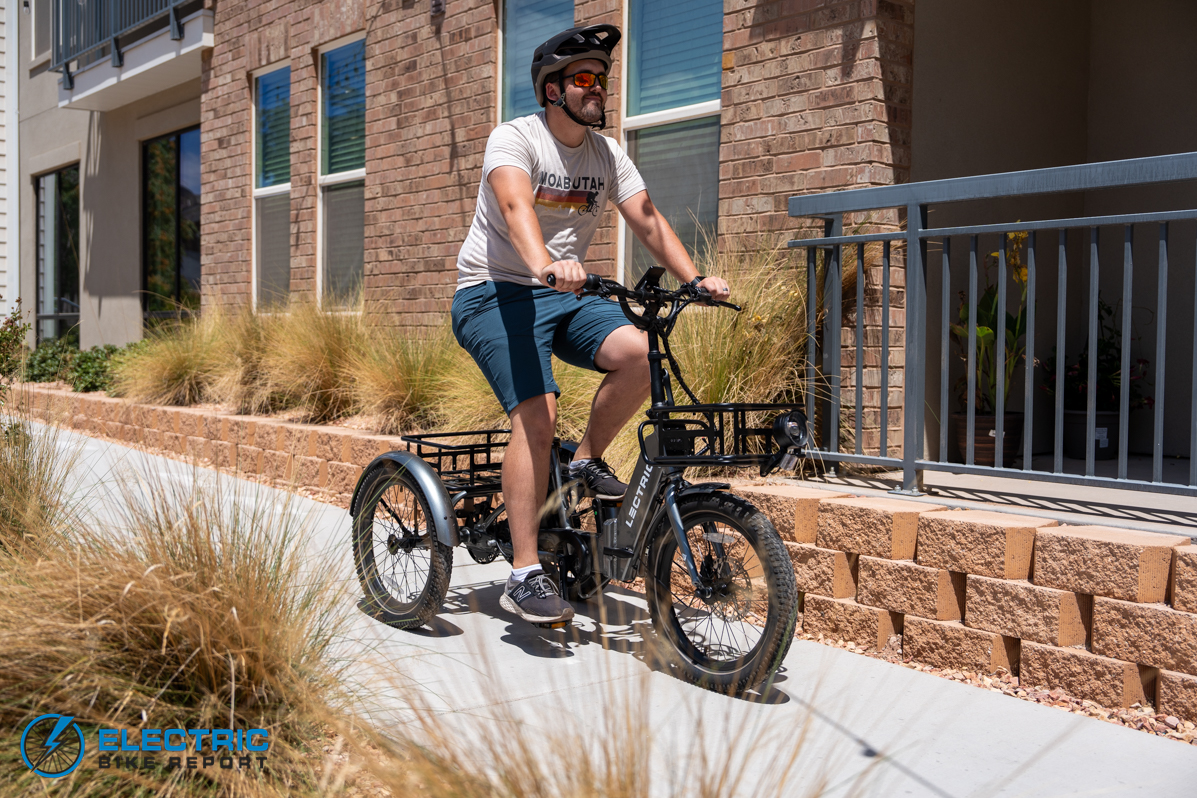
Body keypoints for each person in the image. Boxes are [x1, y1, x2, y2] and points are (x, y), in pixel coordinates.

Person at [451, 24, 730, 625]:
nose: (596, 88)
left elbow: (649, 221)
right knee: (539, 411)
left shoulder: (606, 156)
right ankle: (524, 571)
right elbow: (514, 206)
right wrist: (545, 265)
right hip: (492, 292)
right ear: (551, 90)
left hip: (563, 292)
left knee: (640, 354)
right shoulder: (514, 139)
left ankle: (581, 463)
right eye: (583, 79)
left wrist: (694, 279)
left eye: (600, 79)